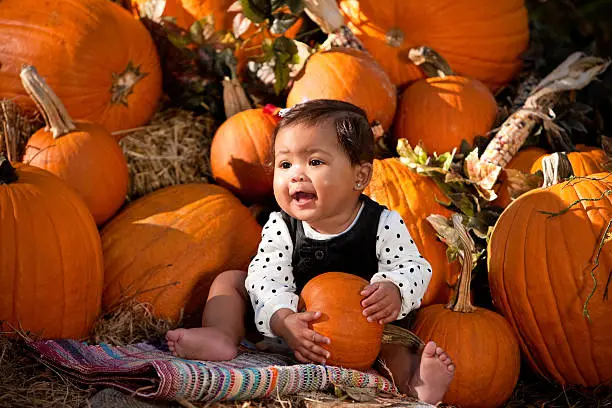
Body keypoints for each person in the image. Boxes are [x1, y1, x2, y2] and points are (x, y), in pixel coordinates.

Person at [166, 99, 455, 404]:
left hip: (360, 332)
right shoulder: (282, 226)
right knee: (232, 282)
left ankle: (416, 382)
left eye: (315, 162)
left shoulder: (382, 223)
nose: (296, 175)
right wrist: (282, 319)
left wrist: (395, 288)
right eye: (285, 164)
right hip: (289, 328)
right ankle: (221, 334)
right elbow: (265, 277)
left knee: (392, 347)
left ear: (359, 176)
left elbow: (416, 267)